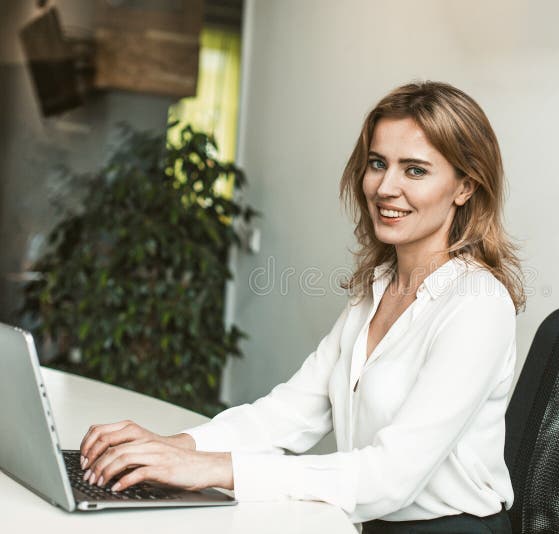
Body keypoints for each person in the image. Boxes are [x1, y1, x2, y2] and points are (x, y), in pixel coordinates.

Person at [77, 81, 526, 533]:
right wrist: (175, 447)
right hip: (362, 522)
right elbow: (290, 414)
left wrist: (213, 470)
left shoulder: (478, 307)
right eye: (377, 164)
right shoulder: (377, 288)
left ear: (465, 187)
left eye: (414, 170)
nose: (385, 187)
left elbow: (391, 478)